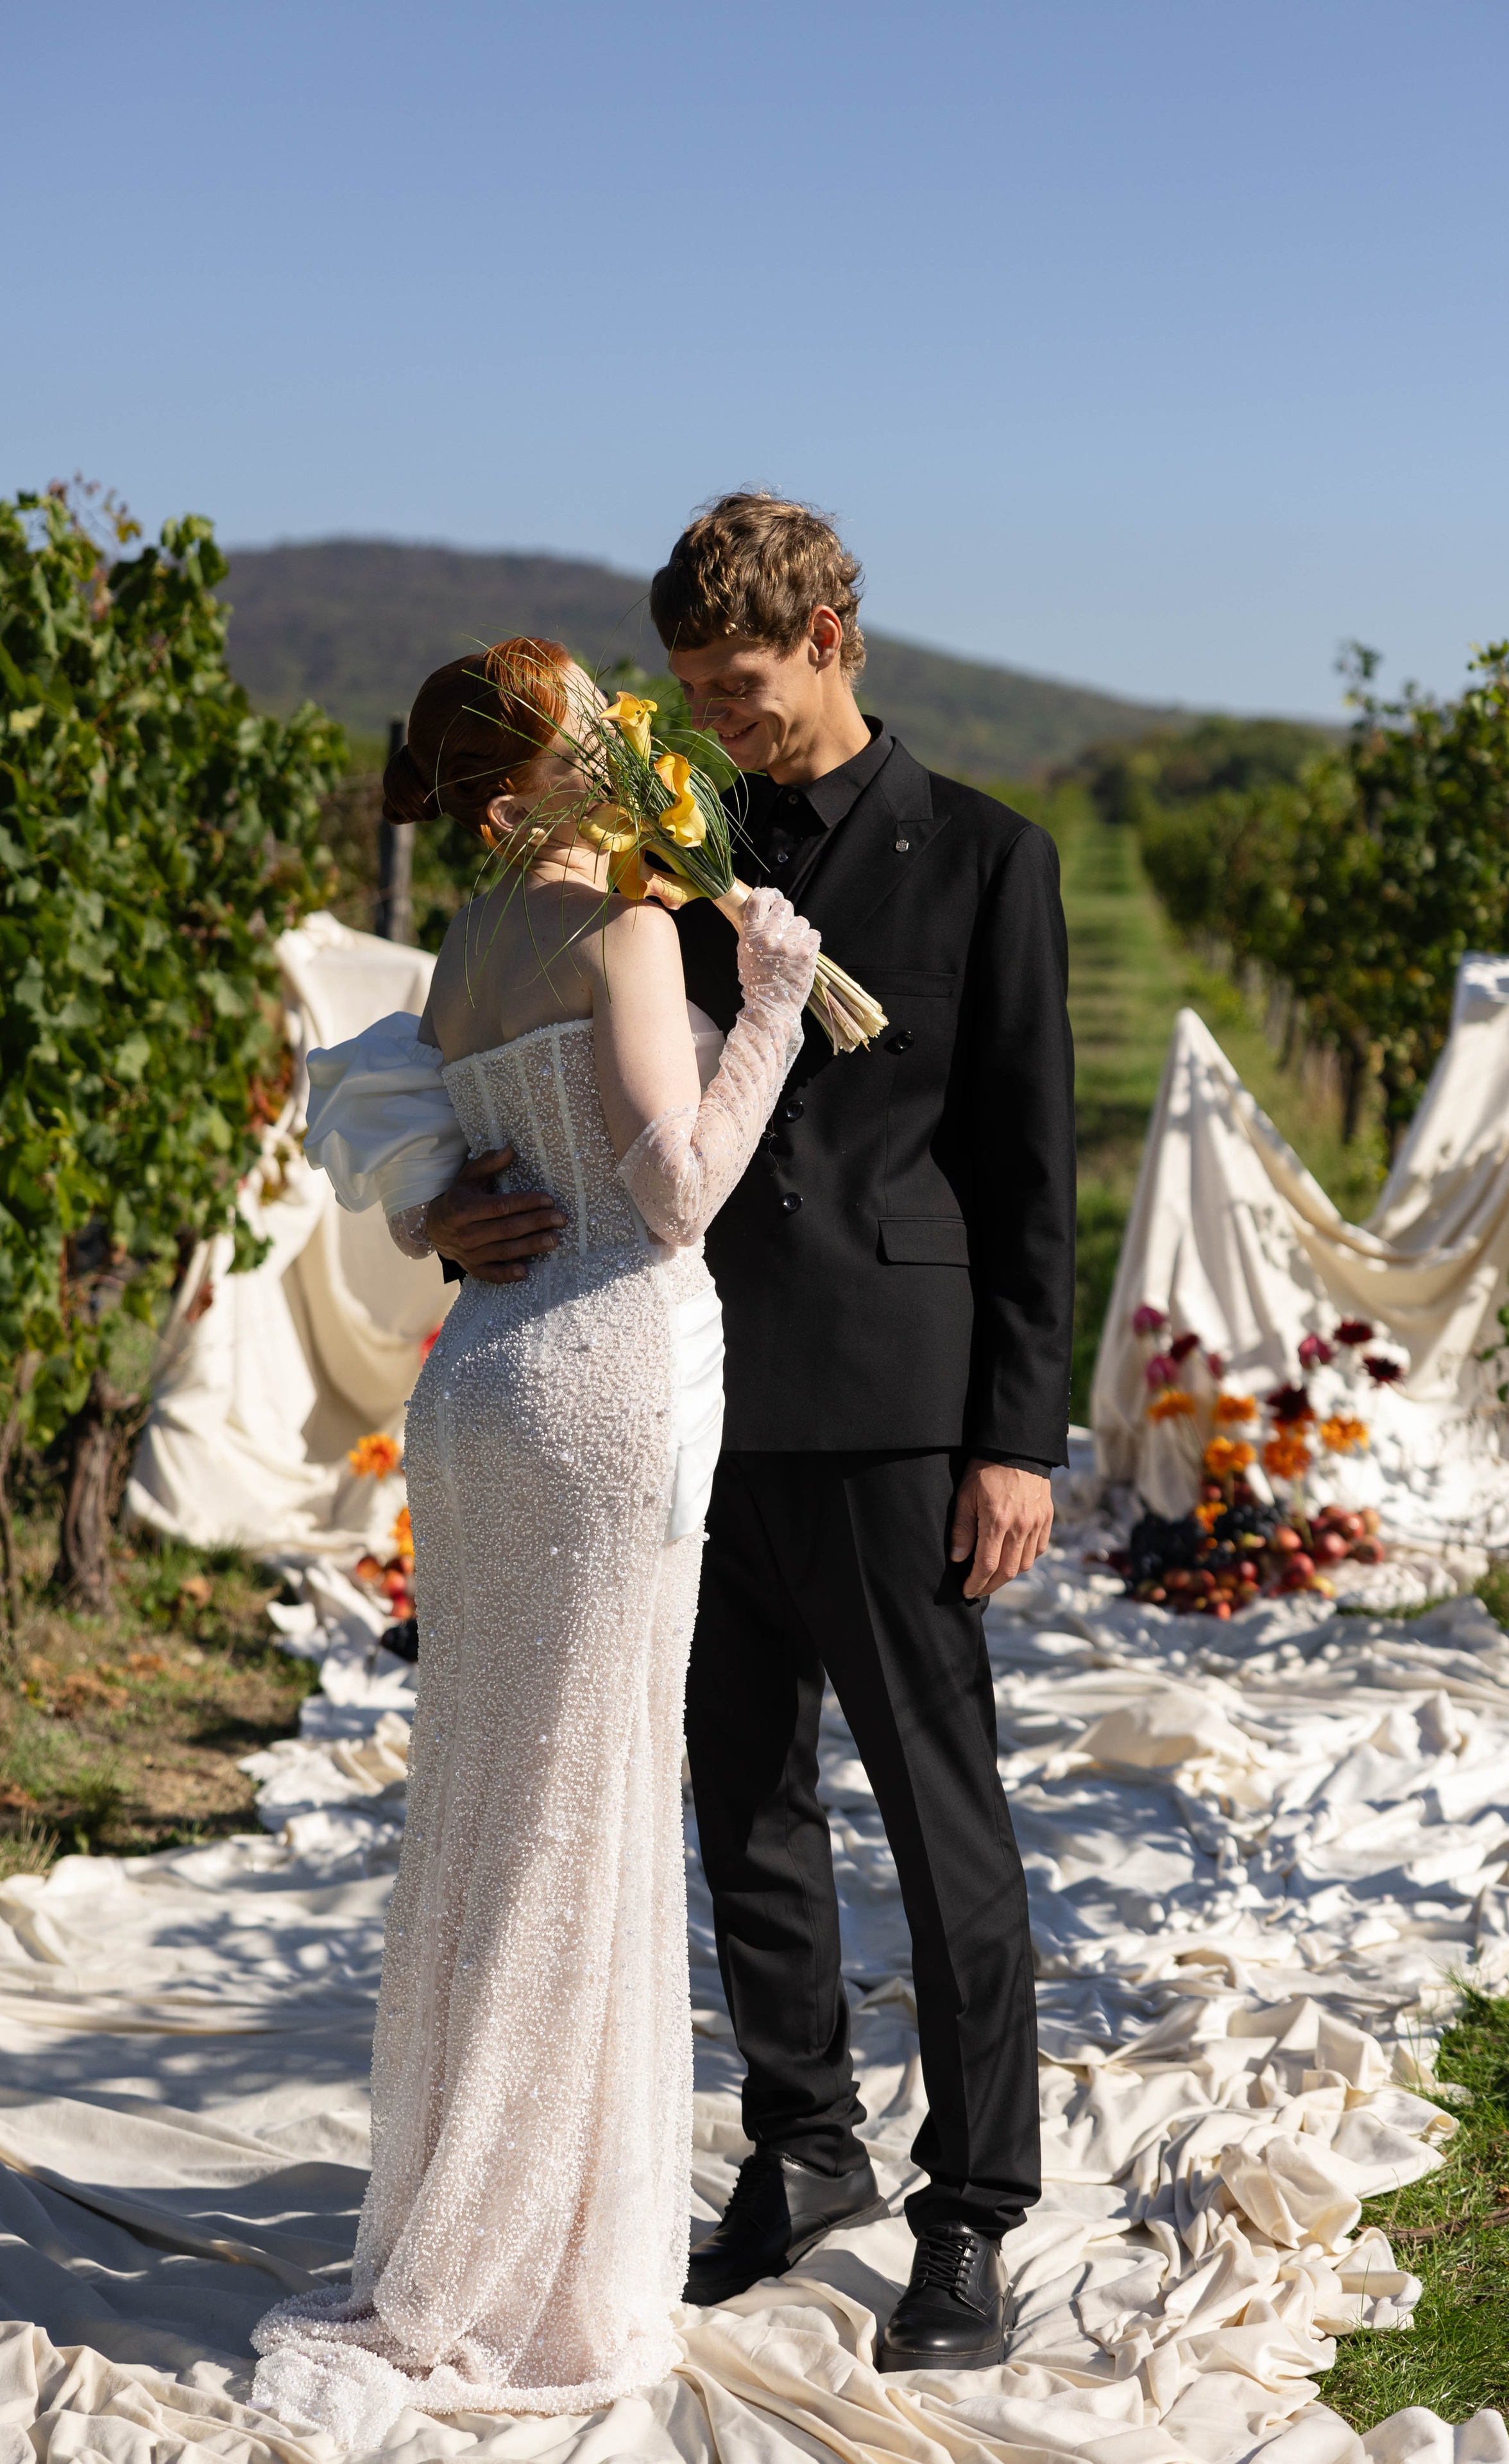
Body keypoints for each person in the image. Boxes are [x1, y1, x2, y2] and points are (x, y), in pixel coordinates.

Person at [431, 498, 1077, 2373]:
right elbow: (549, 1072)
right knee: (744, 1809)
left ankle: (973, 2212)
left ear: (835, 636)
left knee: (942, 1814)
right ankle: (805, 2149)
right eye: (696, 695)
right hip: (680, 1401)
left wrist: (1013, 1440)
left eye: (750, 686)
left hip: (896, 1411)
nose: (725, 723)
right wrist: (444, 1205)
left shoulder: (986, 857)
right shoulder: (649, 863)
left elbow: (1029, 1174)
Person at [250, 638, 819, 2447]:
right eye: (592, 728)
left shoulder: (463, 951)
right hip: (599, 1388)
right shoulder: (635, 939)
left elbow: (460, 1157)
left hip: (481, 1387)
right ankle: (547, 2272)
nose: (619, 742)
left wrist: (448, 1217)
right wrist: (782, 1002)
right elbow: (667, 1194)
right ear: (535, 779)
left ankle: (448, 2220)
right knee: (586, 1808)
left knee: (490, 1804)